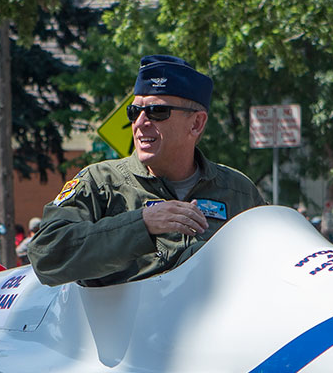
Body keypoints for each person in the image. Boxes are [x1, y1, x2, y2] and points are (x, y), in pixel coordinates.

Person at [27, 54, 263, 286]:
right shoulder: (100, 184)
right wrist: (142, 224)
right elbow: (45, 255)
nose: (139, 123)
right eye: (134, 112)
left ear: (196, 123)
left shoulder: (238, 192)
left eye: (157, 112)